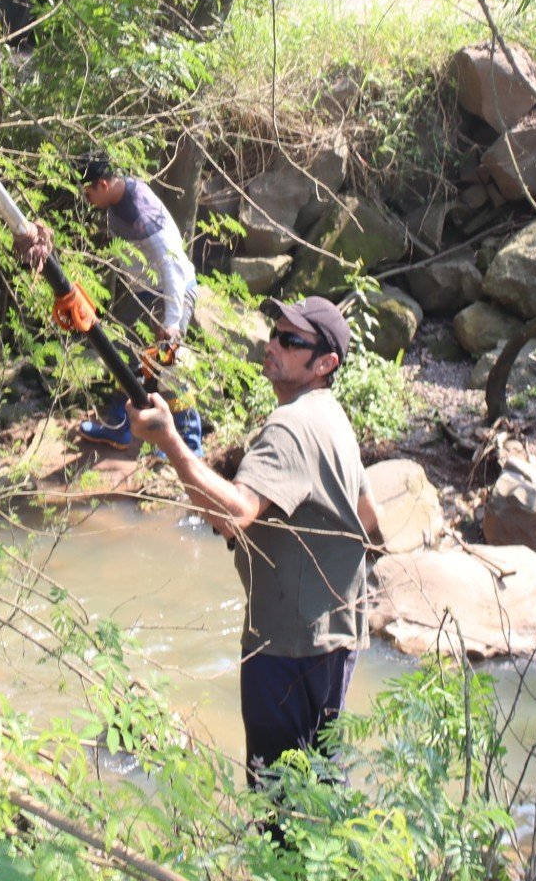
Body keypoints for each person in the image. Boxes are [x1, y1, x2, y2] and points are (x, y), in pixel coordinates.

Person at [129, 296, 384, 788]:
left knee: (276, 802)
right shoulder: (330, 416)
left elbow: (235, 513)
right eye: (274, 332)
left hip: (287, 645)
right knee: (322, 791)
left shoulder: (289, 427)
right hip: (337, 637)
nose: (272, 345)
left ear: (325, 364)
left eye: (291, 341)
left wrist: (169, 443)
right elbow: (369, 517)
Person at [72, 156, 202, 452]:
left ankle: (189, 446)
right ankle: (119, 429)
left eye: (89, 193)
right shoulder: (116, 198)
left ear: (103, 185)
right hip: (144, 292)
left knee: (169, 366)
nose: (87, 200)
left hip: (173, 292)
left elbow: (172, 267)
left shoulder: (140, 213)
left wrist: (171, 320)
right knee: (124, 356)